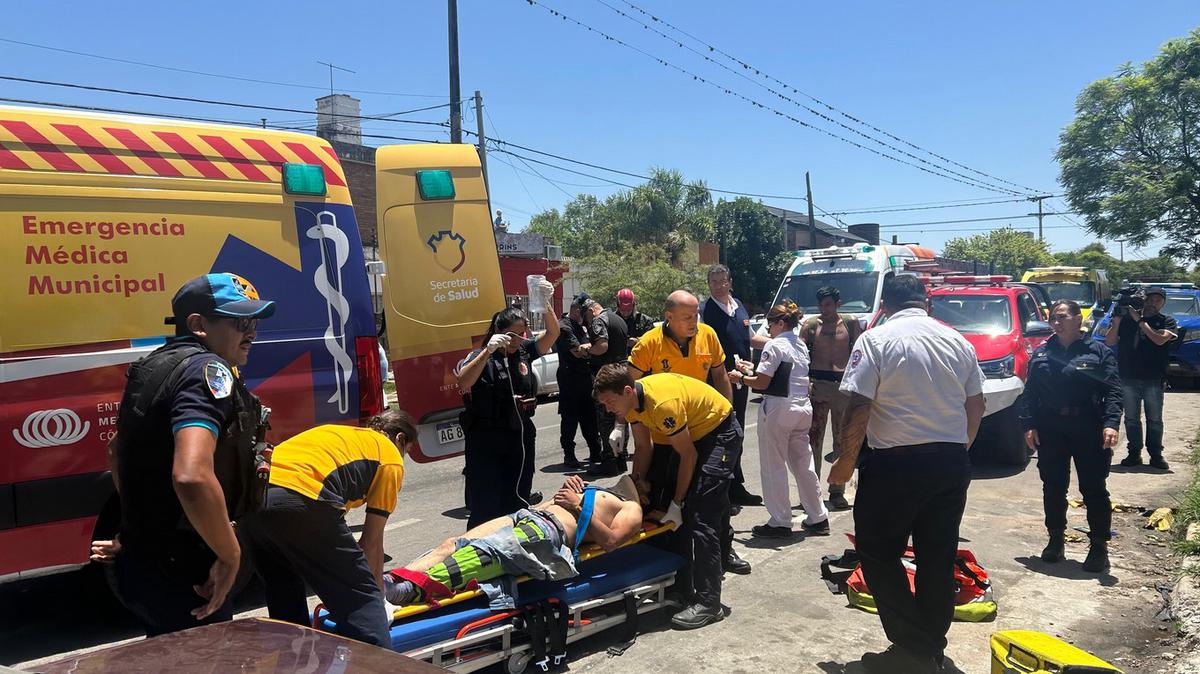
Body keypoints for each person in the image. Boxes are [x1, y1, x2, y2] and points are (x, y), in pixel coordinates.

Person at [828, 275, 985, 673]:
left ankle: (913, 649)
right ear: (925, 303)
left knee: (878, 552)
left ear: (886, 304)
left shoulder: (877, 339)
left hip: (896, 464)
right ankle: (931, 645)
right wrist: (959, 449)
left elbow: (859, 406)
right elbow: (977, 404)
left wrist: (845, 462)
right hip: (950, 463)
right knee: (937, 555)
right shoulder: (957, 341)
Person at [106, 273, 275, 636]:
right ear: (198, 324)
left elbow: (117, 450)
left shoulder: (154, 364)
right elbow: (191, 475)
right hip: (189, 565)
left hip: (146, 561)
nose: (252, 333)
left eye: (255, 322)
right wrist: (230, 555)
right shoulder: (207, 370)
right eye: (240, 322)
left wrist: (138, 524)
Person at [239, 412, 414, 647]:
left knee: (283, 588)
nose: (403, 458)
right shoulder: (390, 457)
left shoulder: (341, 435)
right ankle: (379, 664)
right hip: (300, 497)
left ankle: (291, 662)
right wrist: (377, 596)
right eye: (407, 451)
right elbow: (371, 542)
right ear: (400, 439)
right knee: (360, 596)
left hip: (252, 501)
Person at [594, 365, 743, 630]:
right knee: (670, 509)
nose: (608, 409)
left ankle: (710, 604)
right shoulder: (632, 405)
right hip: (695, 434)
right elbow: (642, 446)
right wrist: (634, 489)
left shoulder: (662, 405)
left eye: (610, 402)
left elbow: (689, 456)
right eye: (603, 404)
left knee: (699, 515)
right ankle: (683, 587)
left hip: (719, 432)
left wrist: (677, 503)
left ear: (627, 390)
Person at [628, 290, 750, 576]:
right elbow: (626, 387)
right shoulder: (649, 344)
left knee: (715, 497)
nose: (693, 321)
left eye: (696, 314)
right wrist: (626, 425)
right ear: (668, 317)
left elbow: (720, 375)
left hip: (705, 427)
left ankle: (723, 550)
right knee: (664, 497)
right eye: (687, 317)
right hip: (666, 435)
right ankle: (667, 561)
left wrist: (728, 415)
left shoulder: (707, 335)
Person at [384, 475, 643, 606]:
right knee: (453, 543)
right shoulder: (597, 488)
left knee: (483, 554)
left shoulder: (632, 508)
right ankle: (397, 577)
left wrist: (577, 506)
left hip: (547, 531)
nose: (637, 477)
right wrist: (567, 494)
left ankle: (410, 591)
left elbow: (610, 542)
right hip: (529, 516)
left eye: (644, 480)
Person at [1022, 300, 1123, 573]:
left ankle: (1099, 546)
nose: (1057, 322)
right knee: (1053, 486)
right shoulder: (1042, 353)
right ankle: (1055, 540)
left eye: (1063, 317)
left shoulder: (1098, 351)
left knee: (1093, 488)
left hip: (1088, 426)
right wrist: (1029, 424)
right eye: (1053, 317)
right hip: (1051, 428)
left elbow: (1114, 390)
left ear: (1078, 319)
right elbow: (1030, 393)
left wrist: (1111, 423)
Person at [456, 278, 559, 528]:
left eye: (522, 333)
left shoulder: (524, 352)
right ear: (498, 332)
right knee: (487, 503)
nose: (518, 340)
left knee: (518, 496)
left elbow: (553, 333)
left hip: (520, 435)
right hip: (487, 439)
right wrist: (487, 352)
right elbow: (463, 382)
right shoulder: (481, 357)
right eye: (513, 334)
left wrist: (546, 304)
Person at [739, 302, 829, 538]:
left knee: (773, 465)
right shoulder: (799, 345)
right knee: (803, 463)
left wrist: (740, 378)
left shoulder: (775, 345)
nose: (768, 329)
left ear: (780, 323)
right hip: (802, 407)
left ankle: (780, 521)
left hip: (779, 408)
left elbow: (762, 383)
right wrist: (753, 370)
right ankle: (818, 516)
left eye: (770, 324)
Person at [699, 264, 762, 506]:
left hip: (741, 381)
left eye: (723, 280)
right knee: (720, 434)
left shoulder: (739, 307)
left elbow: (751, 339)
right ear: (709, 285)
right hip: (717, 384)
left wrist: (782, 342)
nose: (719, 285)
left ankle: (736, 486)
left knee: (738, 432)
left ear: (730, 281)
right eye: (714, 282)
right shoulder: (704, 312)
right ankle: (721, 490)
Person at [801, 286, 862, 511]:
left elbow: (859, 353)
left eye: (827, 304)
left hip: (842, 386)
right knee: (813, 440)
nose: (823, 309)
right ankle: (812, 491)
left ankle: (837, 491)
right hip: (817, 386)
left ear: (838, 303)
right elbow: (800, 354)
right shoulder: (811, 326)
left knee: (841, 439)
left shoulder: (849, 323)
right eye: (820, 305)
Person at [1105, 286, 1178, 470]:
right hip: (1128, 376)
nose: (1153, 303)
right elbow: (1110, 341)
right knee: (1131, 418)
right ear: (1144, 300)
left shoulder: (1167, 321)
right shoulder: (1127, 320)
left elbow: (1159, 339)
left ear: (1163, 303)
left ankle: (1156, 455)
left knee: (1154, 419)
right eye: (1150, 300)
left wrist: (1141, 321)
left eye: (1158, 301)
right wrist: (1117, 321)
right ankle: (1134, 453)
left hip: (1154, 378)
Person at [579, 296, 630, 476]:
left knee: (606, 419)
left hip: (608, 376)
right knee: (621, 417)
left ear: (591, 311)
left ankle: (609, 461)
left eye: (586, 317)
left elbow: (602, 346)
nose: (587, 321)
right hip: (622, 372)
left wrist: (587, 349)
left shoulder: (599, 320)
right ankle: (620, 458)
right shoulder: (617, 319)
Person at [555, 296, 603, 469]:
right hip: (570, 379)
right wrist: (595, 348)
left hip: (584, 378)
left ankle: (595, 451)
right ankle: (569, 454)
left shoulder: (580, 326)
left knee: (589, 416)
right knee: (570, 418)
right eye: (583, 311)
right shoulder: (564, 326)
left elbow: (586, 349)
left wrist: (588, 348)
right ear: (576, 310)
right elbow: (577, 352)